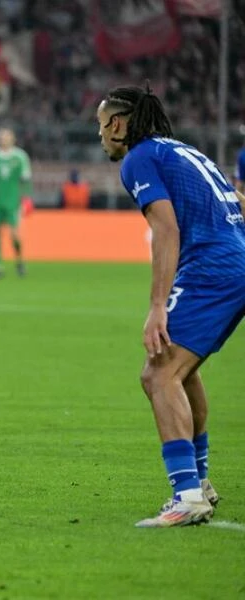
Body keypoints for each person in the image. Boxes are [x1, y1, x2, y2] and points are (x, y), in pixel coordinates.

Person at [97, 84, 245, 527]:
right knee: (183, 371)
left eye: (101, 125)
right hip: (235, 260)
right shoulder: (183, 151)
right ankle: (200, 482)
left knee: (158, 372)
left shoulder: (139, 159)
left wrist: (157, 305)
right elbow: (237, 201)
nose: (100, 135)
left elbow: (165, 231)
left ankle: (186, 495)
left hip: (211, 270)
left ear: (118, 124)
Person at [0, 128, 32, 278]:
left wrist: (26, 199)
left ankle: (20, 260)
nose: (4, 140)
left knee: (14, 234)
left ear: (13, 139)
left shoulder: (20, 157)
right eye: (2, 137)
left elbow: (26, 180)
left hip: (13, 201)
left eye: (7, 137)